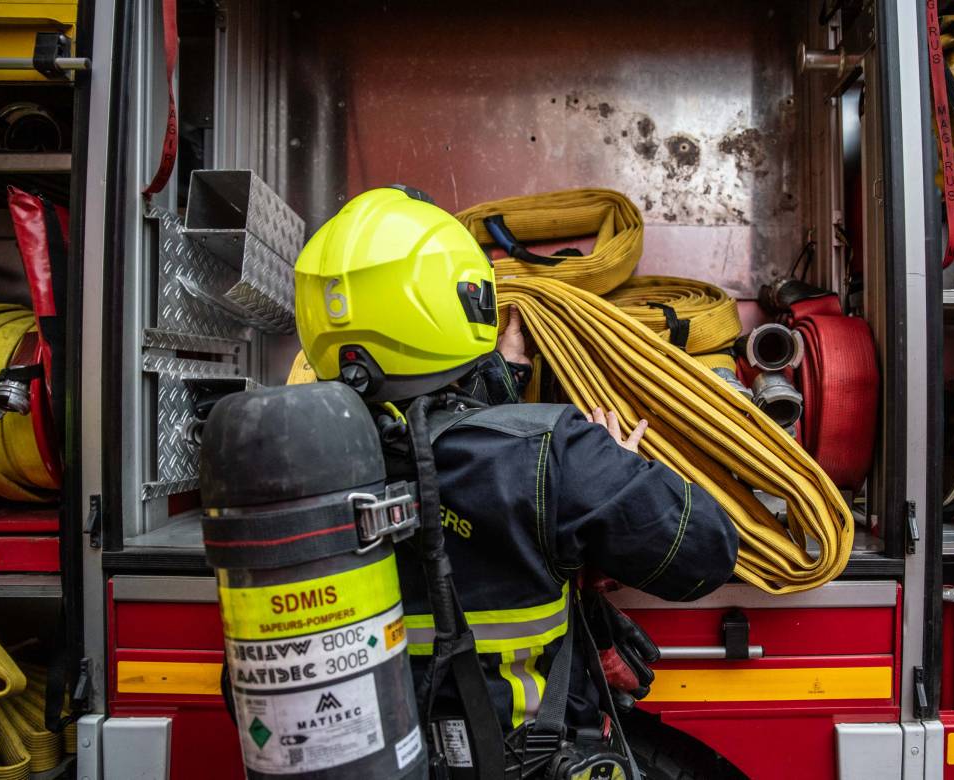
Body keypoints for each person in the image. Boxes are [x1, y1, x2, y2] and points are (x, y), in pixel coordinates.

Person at [294, 185, 738, 773]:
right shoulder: (557, 451)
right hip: (532, 759)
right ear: (462, 302)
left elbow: (440, 436)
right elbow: (706, 552)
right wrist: (616, 465)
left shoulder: (293, 470)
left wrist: (507, 373)